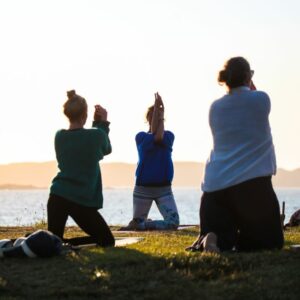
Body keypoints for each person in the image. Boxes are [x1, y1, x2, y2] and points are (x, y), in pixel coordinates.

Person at [188, 57, 284, 252]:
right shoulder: (262, 100)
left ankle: (212, 236)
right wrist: (249, 81)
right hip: (252, 187)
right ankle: (230, 238)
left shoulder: (215, 107)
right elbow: (252, 95)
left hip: (214, 191)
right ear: (248, 76)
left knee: (223, 235)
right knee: (269, 242)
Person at [47, 90, 115, 247]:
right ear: (85, 115)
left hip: (58, 196)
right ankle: (67, 245)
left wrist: (98, 126)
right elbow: (106, 147)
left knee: (53, 242)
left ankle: (62, 244)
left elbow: (88, 141)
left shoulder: (59, 136)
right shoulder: (96, 136)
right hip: (81, 202)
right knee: (107, 241)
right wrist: (102, 122)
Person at [121, 93, 179, 230]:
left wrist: (160, 115)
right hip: (143, 189)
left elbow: (159, 137)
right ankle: (139, 223)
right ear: (148, 118)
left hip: (164, 188)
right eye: (153, 116)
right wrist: (158, 112)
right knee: (139, 221)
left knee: (173, 223)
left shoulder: (169, 136)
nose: (158, 119)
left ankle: (141, 224)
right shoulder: (141, 137)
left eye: (159, 117)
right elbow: (154, 136)